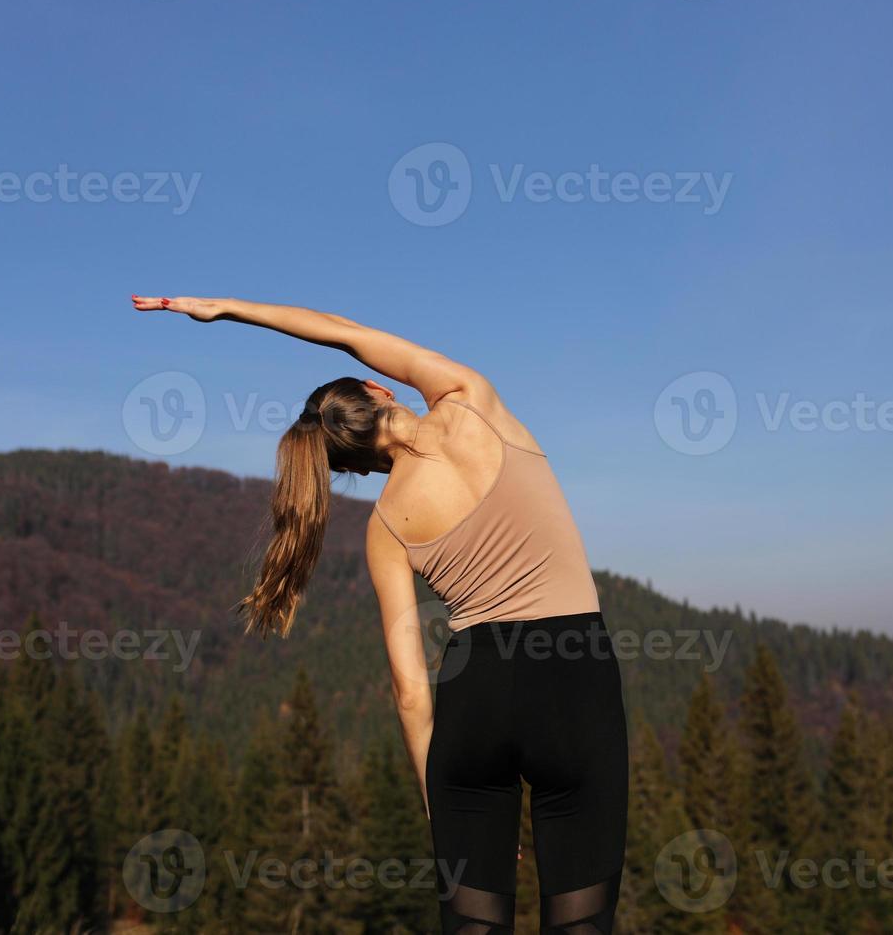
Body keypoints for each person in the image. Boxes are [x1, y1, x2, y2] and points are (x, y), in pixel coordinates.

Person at [132, 295, 629, 934]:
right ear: (378, 388)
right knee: (580, 922)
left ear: (354, 466)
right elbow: (344, 332)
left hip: (473, 695)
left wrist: (440, 802)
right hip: (572, 674)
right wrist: (223, 308)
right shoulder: (468, 395)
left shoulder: (386, 527)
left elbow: (409, 692)